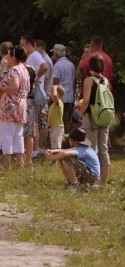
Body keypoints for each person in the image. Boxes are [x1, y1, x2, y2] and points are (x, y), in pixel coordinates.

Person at [0, 45, 30, 171]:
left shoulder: (14, 70)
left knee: (7, 136)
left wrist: (2, 89)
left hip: (11, 106)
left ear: (13, 56)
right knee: (18, 136)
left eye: (8, 55)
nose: (7, 58)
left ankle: (7, 165)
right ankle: (20, 164)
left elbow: (14, 86)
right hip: (21, 105)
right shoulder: (24, 69)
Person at [79, 54, 111, 186]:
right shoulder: (105, 80)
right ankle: (103, 182)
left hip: (92, 116)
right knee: (104, 150)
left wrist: (81, 112)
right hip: (104, 116)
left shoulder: (89, 80)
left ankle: (93, 180)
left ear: (90, 66)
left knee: (92, 149)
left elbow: (86, 101)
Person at [20, 35, 48, 157]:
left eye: (23, 45)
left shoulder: (35, 55)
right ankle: (33, 149)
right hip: (31, 92)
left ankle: (34, 150)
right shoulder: (31, 56)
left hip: (34, 92)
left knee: (33, 123)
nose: (21, 48)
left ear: (30, 45)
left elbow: (44, 67)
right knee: (33, 122)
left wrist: (33, 78)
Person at [51, 43, 75, 134]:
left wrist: (52, 96)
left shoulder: (57, 65)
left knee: (58, 119)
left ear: (56, 54)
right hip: (69, 96)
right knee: (66, 119)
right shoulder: (71, 64)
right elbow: (74, 80)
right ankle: (68, 139)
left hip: (59, 97)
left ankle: (58, 138)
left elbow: (55, 82)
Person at [47, 84, 65, 149]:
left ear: (58, 94)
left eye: (52, 93)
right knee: (53, 143)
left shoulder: (59, 102)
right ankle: (55, 158)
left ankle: (57, 158)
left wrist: (54, 87)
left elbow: (54, 96)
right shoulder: (53, 104)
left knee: (56, 144)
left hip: (58, 127)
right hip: (53, 126)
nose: (51, 94)